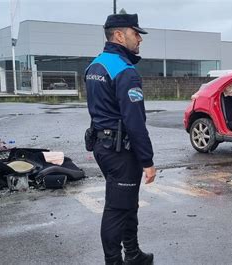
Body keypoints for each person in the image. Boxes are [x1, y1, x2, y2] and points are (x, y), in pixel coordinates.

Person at [85, 13, 156, 265]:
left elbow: (98, 109)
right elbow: (135, 122)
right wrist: (147, 161)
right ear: (118, 35)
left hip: (103, 147)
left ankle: (134, 254)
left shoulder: (95, 65)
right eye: (135, 34)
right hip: (121, 151)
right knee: (116, 208)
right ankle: (114, 261)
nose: (139, 39)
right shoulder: (125, 71)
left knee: (127, 202)